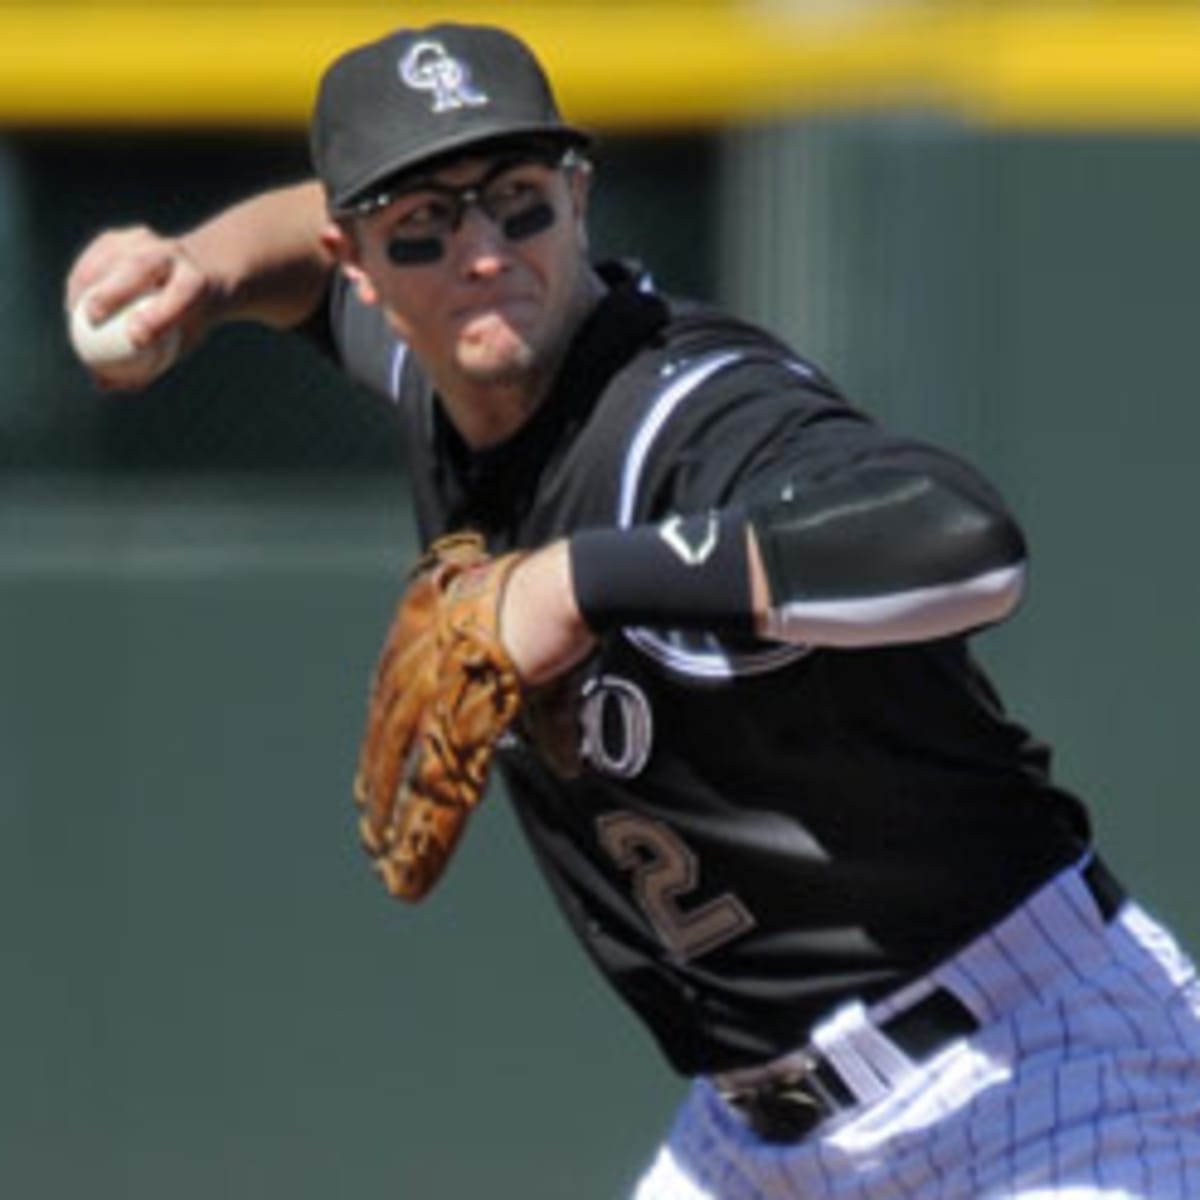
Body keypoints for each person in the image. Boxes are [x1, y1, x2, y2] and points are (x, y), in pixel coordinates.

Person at [65, 21, 1200, 1199]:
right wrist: (199, 273)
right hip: (755, 1137)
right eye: (426, 225)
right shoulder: (445, 376)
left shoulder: (691, 413)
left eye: (519, 201)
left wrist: (585, 577)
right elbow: (293, 264)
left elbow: (966, 544)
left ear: (580, 197)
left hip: (1034, 1075)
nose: (485, 252)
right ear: (365, 264)